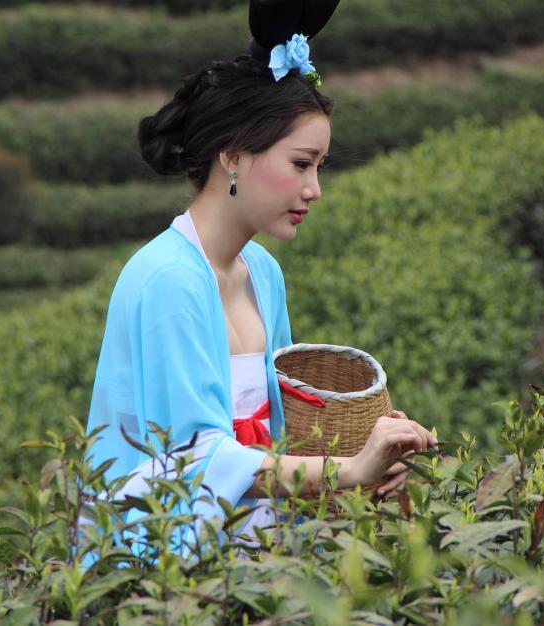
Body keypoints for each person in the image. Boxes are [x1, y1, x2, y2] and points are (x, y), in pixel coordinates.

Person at [77, 0, 437, 567]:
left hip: (253, 556)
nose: (314, 189)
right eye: (301, 163)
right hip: (162, 573)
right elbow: (196, 460)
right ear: (233, 156)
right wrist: (347, 470)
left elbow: (285, 430)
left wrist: (372, 452)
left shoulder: (262, 272)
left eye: (319, 166)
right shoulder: (169, 281)